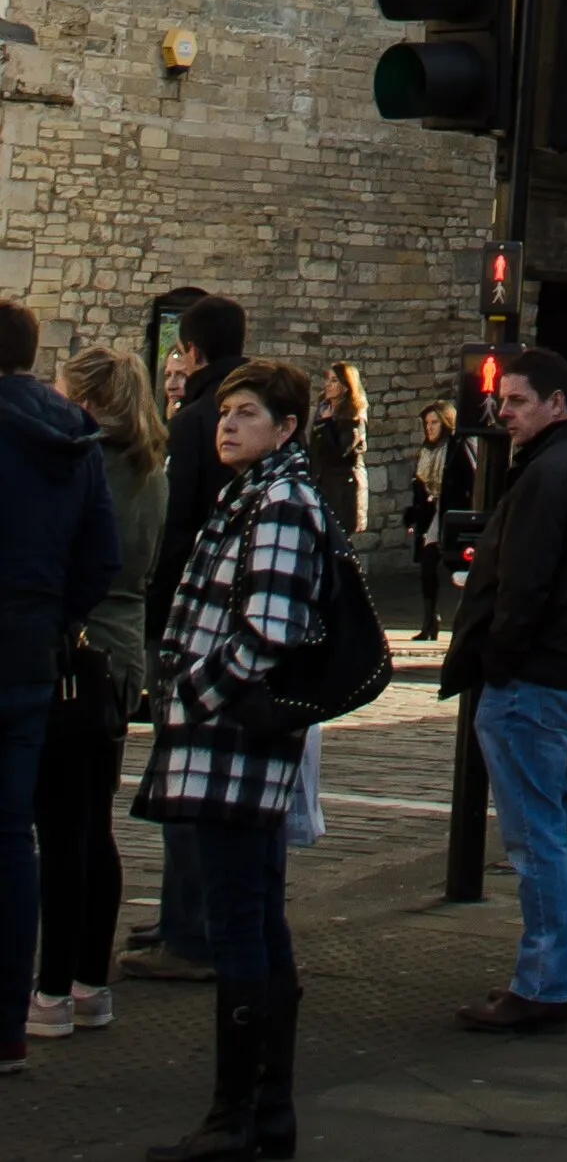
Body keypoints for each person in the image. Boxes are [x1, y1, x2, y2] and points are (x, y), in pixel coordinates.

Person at [133, 357, 325, 1160]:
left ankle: (237, 1116)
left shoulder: (279, 502)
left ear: (285, 429)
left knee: (241, 926)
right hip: (224, 745)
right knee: (254, 921)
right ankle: (262, 1111)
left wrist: (191, 695)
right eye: (223, 413)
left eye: (246, 413)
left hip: (232, 747)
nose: (227, 424)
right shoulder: (251, 495)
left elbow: (267, 633)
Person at [440, 345, 567, 1035]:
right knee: (566, 828)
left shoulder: (552, 475)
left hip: (538, 677)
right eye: (503, 400)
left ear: (557, 404)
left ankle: (545, 981)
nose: (503, 412)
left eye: (517, 401)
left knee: (539, 838)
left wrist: (500, 659)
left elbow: (526, 585)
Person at [27, 348, 168, 1040]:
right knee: (93, 825)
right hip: (122, 650)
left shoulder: (82, 458)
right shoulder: (149, 464)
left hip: (80, 649)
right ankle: (91, 983)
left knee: (58, 827)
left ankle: (52, 990)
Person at [0, 298, 119, 1081]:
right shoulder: (71, 437)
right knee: (13, 837)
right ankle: (9, 1023)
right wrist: (54, 618)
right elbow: (100, 556)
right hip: (28, 651)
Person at [131, 295, 247, 981]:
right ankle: (185, 912)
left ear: (193, 353)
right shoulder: (240, 412)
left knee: (186, 778)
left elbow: (175, 531)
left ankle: (190, 928)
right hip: (226, 618)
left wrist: (159, 610)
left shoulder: (199, 419)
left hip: (193, 618)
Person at [404, 405, 469, 644]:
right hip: (431, 513)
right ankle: (430, 621)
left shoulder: (456, 447)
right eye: (427, 423)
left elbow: (466, 479)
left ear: (445, 423)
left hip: (451, 510)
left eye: (434, 423)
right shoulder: (426, 450)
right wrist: (414, 515)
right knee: (428, 566)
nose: (429, 428)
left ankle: (464, 621)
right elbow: (419, 485)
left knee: (458, 568)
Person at [306, 365, 367, 542]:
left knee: (338, 541)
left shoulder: (353, 416)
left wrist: (327, 425)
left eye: (334, 380)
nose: (328, 385)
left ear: (346, 386)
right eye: (327, 379)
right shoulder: (321, 410)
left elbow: (342, 452)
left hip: (341, 489)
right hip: (320, 484)